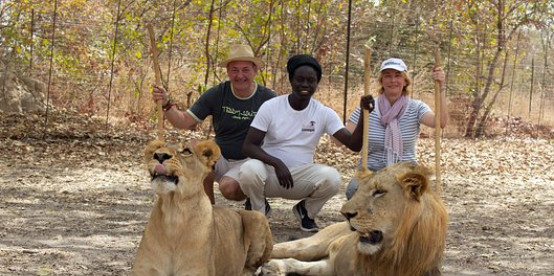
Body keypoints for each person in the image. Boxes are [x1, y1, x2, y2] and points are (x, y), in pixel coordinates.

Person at [238, 54, 365, 232]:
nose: (305, 85)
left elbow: (354, 145)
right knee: (249, 170)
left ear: (317, 83)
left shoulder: (323, 112)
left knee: (333, 178)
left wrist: (364, 115)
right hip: (269, 174)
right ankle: (259, 214)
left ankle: (306, 212)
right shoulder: (271, 106)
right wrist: (276, 162)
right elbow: (248, 146)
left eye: (311, 80)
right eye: (300, 79)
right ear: (291, 80)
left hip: (298, 179)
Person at [152, 44, 276, 206]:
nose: (240, 75)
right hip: (221, 156)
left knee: (229, 190)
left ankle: (254, 196)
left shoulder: (268, 98)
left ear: (255, 71)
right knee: (194, 150)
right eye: (234, 70)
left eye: (245, 70)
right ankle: (208, 210)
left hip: (251, 162)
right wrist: (166, 103)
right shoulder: (218, 93)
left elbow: (282, 133)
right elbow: (183, 121)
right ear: (228, 72)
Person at [344, 57, 448, 199]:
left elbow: (440, 122)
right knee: (354, 190)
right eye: (388, 76)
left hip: (405, 170)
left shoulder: (416, 107)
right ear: (382, 81)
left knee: (413, 197)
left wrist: (441, 87)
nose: (393, 80)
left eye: (398, 75)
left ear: (405, 81)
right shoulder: (367, 105)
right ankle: (367, 221)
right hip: (372, 170)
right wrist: (329, 123)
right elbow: (344, 135)